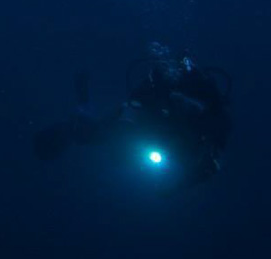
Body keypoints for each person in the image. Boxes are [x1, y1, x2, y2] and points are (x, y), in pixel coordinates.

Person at [34, 51, 232, 190]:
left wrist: (174, 189)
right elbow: (135, 106)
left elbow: (210, 157)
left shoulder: (208, 110)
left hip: (164, 139)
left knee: (104, 137)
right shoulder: (162, 92)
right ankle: (77, 117)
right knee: (98, 134)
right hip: (145, 126)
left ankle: (81, 114)